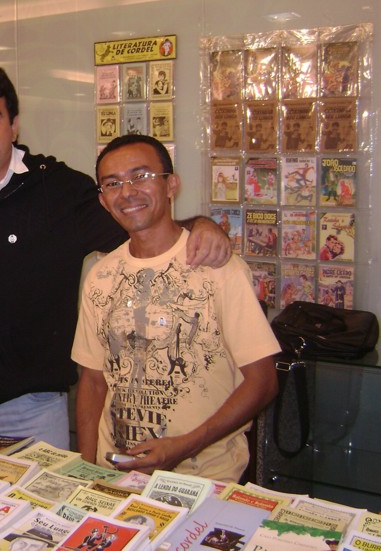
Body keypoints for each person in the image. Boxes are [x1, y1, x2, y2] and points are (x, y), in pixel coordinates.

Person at [0, 60, 231, 449]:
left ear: (14, 125)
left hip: (33, 411)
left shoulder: (59, 191)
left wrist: (201, 225)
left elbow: (145, 232)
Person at [72, 134, 280, 482]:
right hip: (117, 475)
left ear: (171, 185)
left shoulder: (218, 267)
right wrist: (87, 469)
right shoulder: (100, 275)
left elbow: (263, 381)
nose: (127, 192)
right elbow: (93, 382)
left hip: (204, 479)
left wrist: (184, 446)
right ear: (103, 200)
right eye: (113, 183)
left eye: (141, 176)